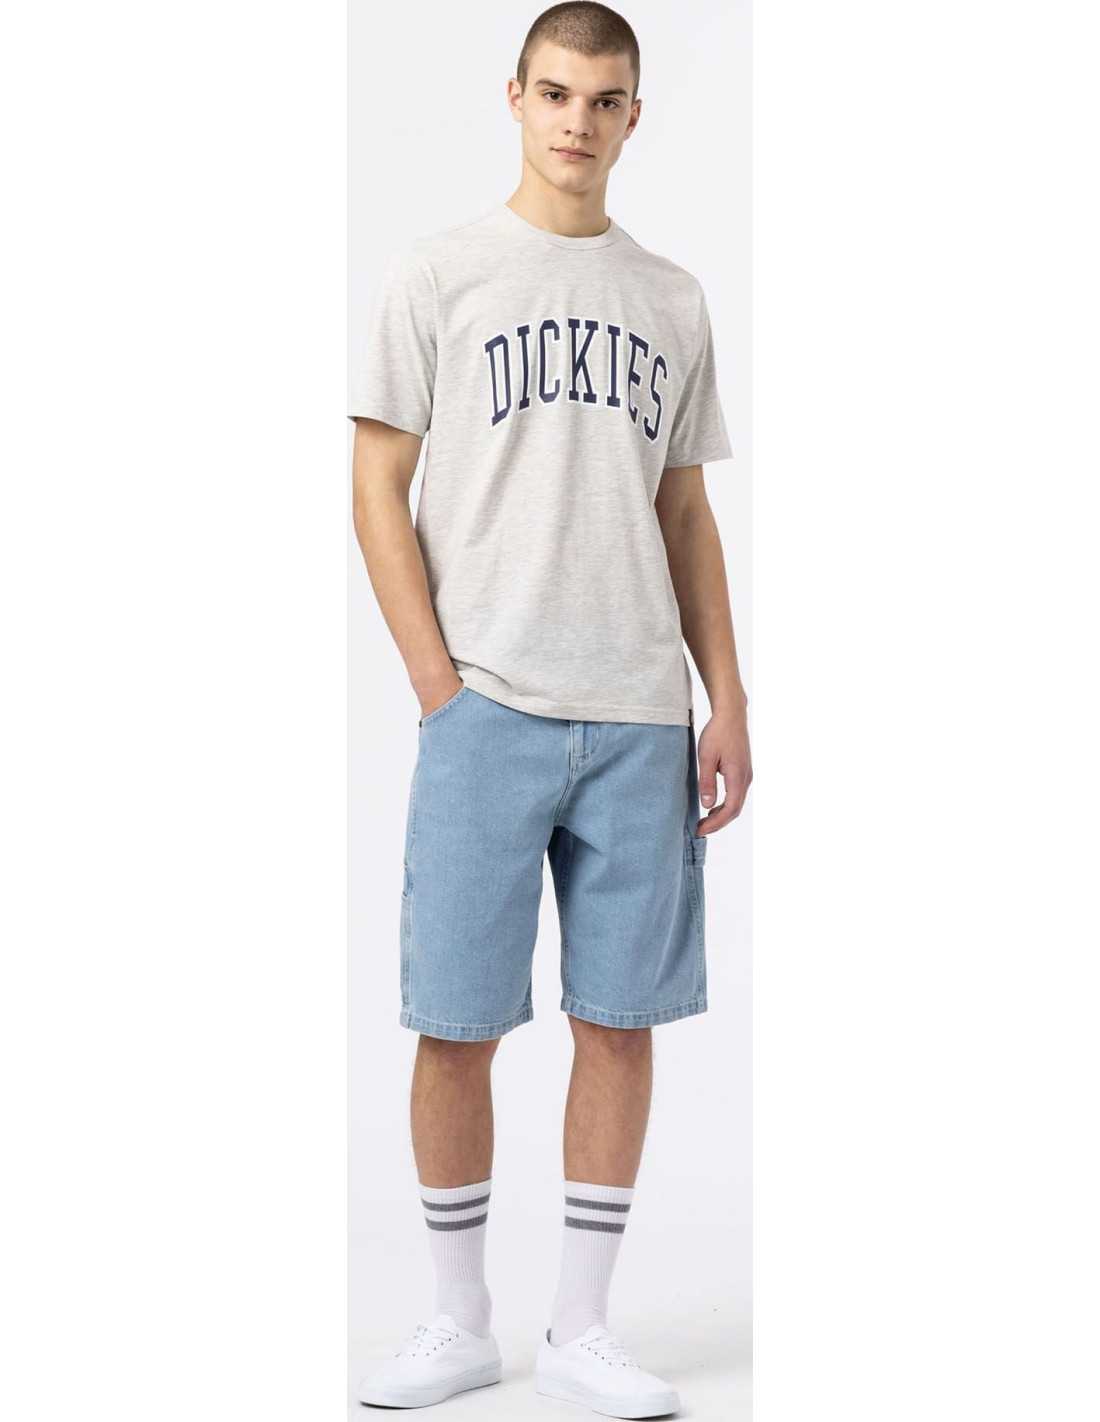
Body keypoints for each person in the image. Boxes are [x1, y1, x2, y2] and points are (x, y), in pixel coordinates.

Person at [349, 3, 751, 1414]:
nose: (579, 121)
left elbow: (685, 511)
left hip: (640, 714)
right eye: (558, 93)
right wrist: (437, 686)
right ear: (514, 96)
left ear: (636, 117)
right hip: (488, 707)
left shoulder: (674, 298)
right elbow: (374, 484)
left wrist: (725, 695)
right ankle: (456, 1319)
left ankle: (583, 1325)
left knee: (620, 1019)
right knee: (456, 1020)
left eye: (607, 99)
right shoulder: (441, 274)